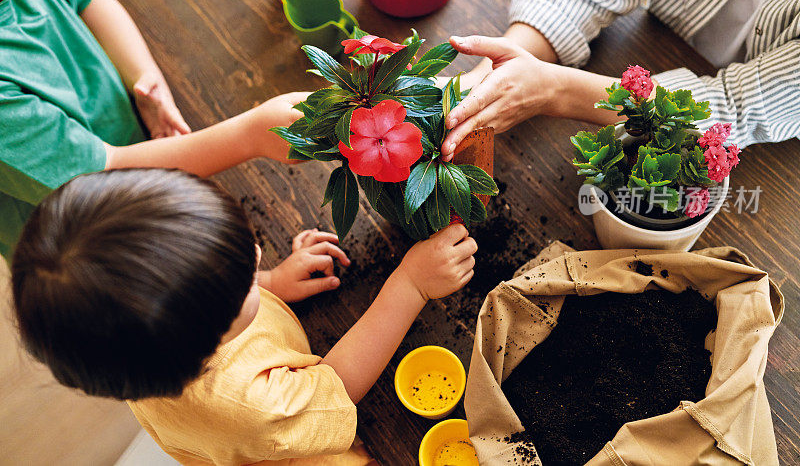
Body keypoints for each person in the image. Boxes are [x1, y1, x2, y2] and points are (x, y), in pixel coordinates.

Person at [10, 168, 478, 464]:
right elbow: (333, 388)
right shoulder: (249, 405)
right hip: (286, 446)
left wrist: (269, 284)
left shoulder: (139, 344)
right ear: (206, 331)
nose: (257, 251)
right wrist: (410, 285)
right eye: (243, 274)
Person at [0, 0, 305, 258]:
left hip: (135, 147)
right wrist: (252, 136)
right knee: (158, 276)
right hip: (85, 239)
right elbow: (101, 177)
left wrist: (145, 78)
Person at [440, 0, 800, 162]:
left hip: (763, 163)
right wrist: (484, 79)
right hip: (657, 47)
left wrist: (550, 89)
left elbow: (731, 107)